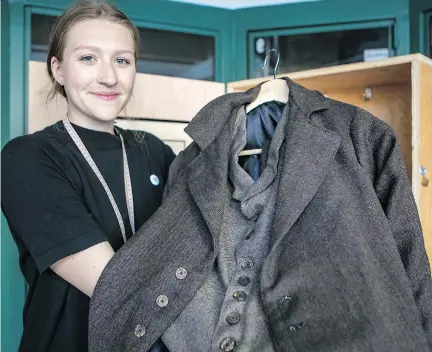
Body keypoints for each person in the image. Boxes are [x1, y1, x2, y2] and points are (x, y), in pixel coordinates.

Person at [1, 1, 175, 351]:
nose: (109, 76)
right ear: (58, 69)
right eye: (87, 58)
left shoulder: (156, 152)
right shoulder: (28, 158)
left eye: (122, 60)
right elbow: (114, 288)